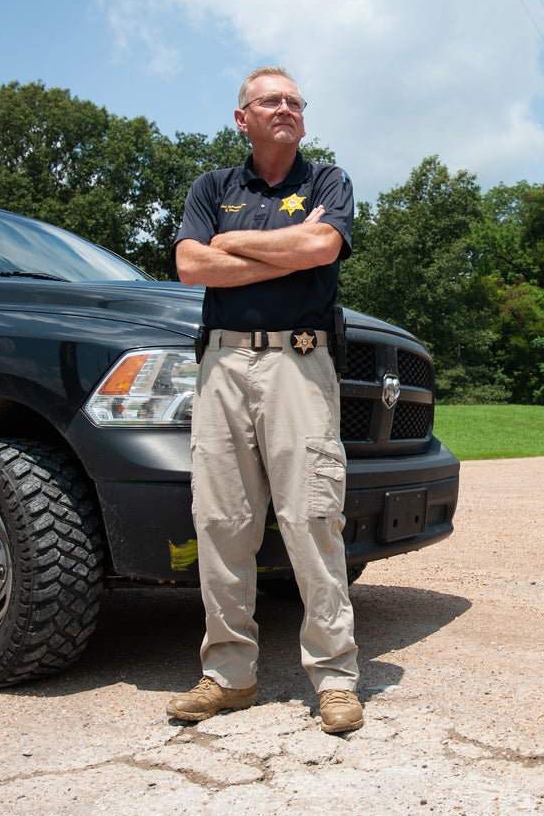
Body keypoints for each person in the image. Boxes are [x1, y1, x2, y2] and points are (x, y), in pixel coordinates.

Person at [166, 66, 362, 734]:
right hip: (222, 362)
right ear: (241, 117)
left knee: (312, 517)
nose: (286, 108)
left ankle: (335, 678)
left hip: (299, 363)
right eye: (270, 100)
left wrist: (235, 243)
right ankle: (228, 674)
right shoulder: (211, 187)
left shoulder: (327, 182)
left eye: (295, 101)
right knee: (221, 521)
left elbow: (320, 244)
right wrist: (287, 252)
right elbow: (191, 266)